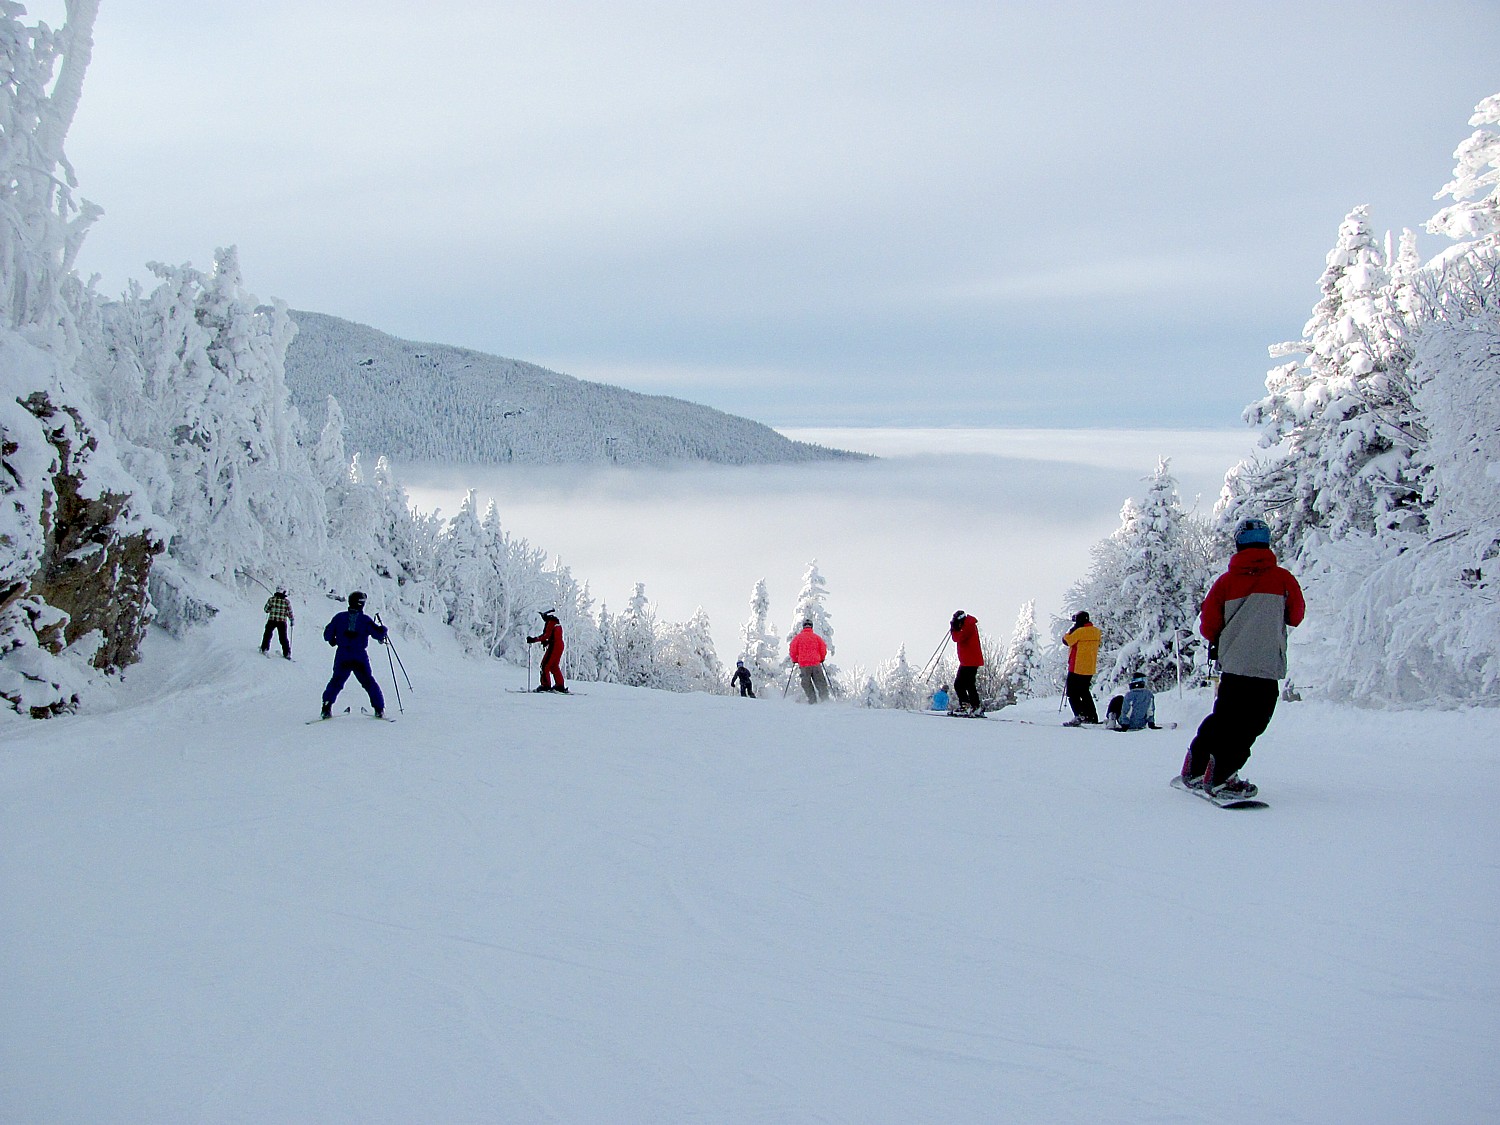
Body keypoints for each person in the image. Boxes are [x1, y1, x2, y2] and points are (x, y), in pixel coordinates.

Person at [1181, 517, 1305, 798]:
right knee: (1251, 723)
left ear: (1238, 544)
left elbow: (1208, 625)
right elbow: (1296, 616)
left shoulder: (1225, 582)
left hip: (1234, 664)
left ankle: (1196, 766)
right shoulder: (1283, 579)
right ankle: (1223, 775)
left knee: (1224, 717)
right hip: (1265, 665)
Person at [320, 590, 388, 719]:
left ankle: (326, 707)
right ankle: (379, 709)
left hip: (342, 655)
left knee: (336, 682)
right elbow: (378, 635)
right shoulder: (365, 620)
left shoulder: (339, 617)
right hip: (359, 656)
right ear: (361, 604)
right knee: (369, 682)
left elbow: (327, 635)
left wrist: (333, 640)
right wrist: (383, 629)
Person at [1062, 610, 1102, 726]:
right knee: (1084, 692)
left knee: (1072, 693)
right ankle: (1092, 716)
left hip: (1077, 666)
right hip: (1090, 667)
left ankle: (1080, 715)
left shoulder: (1079, 631)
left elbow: (1067, 641)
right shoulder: (1096, 631)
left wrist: (1071, 631)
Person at [949, 610, 985, 715]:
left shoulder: (968, 626)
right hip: (969, 660)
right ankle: (975, 706)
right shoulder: (969, 624)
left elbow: (958, 638)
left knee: (959, 684)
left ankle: (966, 706)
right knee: (969, 684)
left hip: (969, 661)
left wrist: (953, 630)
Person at [788, 619, 831, 703]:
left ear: (803, 626)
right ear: (811, 626)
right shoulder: (817, 637)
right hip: (815, 663)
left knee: (806, 683)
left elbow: (792, 650)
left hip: (804, 665)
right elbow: (823, 649)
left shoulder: (797, 638)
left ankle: (812, 700)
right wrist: (822, 658)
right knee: (820, 682)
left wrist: (795, 659)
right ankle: (825, 700)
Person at [526, 608, 568, 693]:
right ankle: (560, 685)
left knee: (545, 665)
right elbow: (553, 635)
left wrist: (533, 640)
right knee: (554, 666)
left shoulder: (551, 622)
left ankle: (545, 685)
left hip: (554, 646)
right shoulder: (556, 622)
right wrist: (547, 641)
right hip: (559, 645)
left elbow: (546, 635)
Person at [260, 586, 294, 659]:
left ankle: (264, 648)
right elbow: (289, 613)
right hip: (282, 622)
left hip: (272, 620)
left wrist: (271, 609)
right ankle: (287, 653)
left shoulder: (271, 599)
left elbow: (266, 609)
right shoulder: (286, 602)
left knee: (267, 635)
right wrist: (292, 620)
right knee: (283, 637)